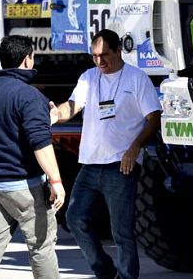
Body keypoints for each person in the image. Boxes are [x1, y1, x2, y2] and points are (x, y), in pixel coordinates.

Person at [50, 29, 161, 279]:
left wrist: (135, 147)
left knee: (121, 231)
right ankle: (104, 270)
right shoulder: (88, 77)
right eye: (95, 55)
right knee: (75, 218)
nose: (100, 61)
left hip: (121, 166)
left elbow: (154, 118)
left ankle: (126, 276)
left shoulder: (136, 78)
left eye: (105, 55)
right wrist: (55, 114)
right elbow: (73, 105)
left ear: (119, 50)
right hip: (90, 164)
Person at [0, 35, 65, 279]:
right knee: (41, 246)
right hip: (25, 187)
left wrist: (45, 119)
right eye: (32, 57)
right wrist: (56, 182)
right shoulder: (29, 96)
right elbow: (40, 143)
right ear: (26, 59)